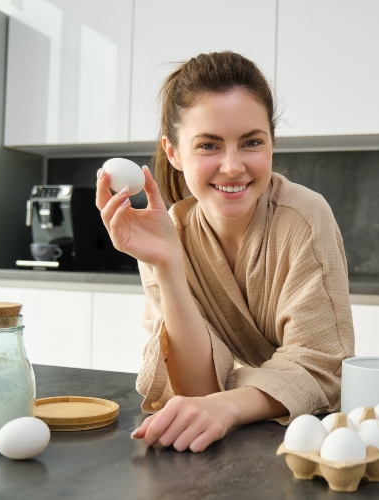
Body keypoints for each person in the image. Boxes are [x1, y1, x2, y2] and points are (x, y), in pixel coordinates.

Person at [95, 51, 354, 453]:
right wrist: (165, 263)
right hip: (230, 439)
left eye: (251, 142)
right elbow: (197, 389)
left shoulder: (304, 217)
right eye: (209, 146)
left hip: (310, 442)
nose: (232, 166)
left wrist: (228, 405)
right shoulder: (167, 232)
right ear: (174, 153)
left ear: (271, 143)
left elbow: (320, 367)